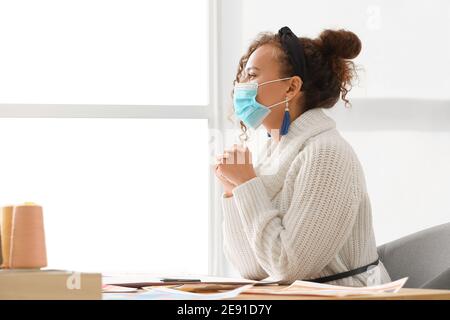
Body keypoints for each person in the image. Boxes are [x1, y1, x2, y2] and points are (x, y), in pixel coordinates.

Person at [214, 26, 391, 286]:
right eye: (241, 76)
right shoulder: (271, 155)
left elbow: (288, 266)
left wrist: (248, 185)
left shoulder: (326, 154)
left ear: (290, 88)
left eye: (252, 75)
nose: (241, 86)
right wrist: (234, 191)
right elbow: (252, 268)